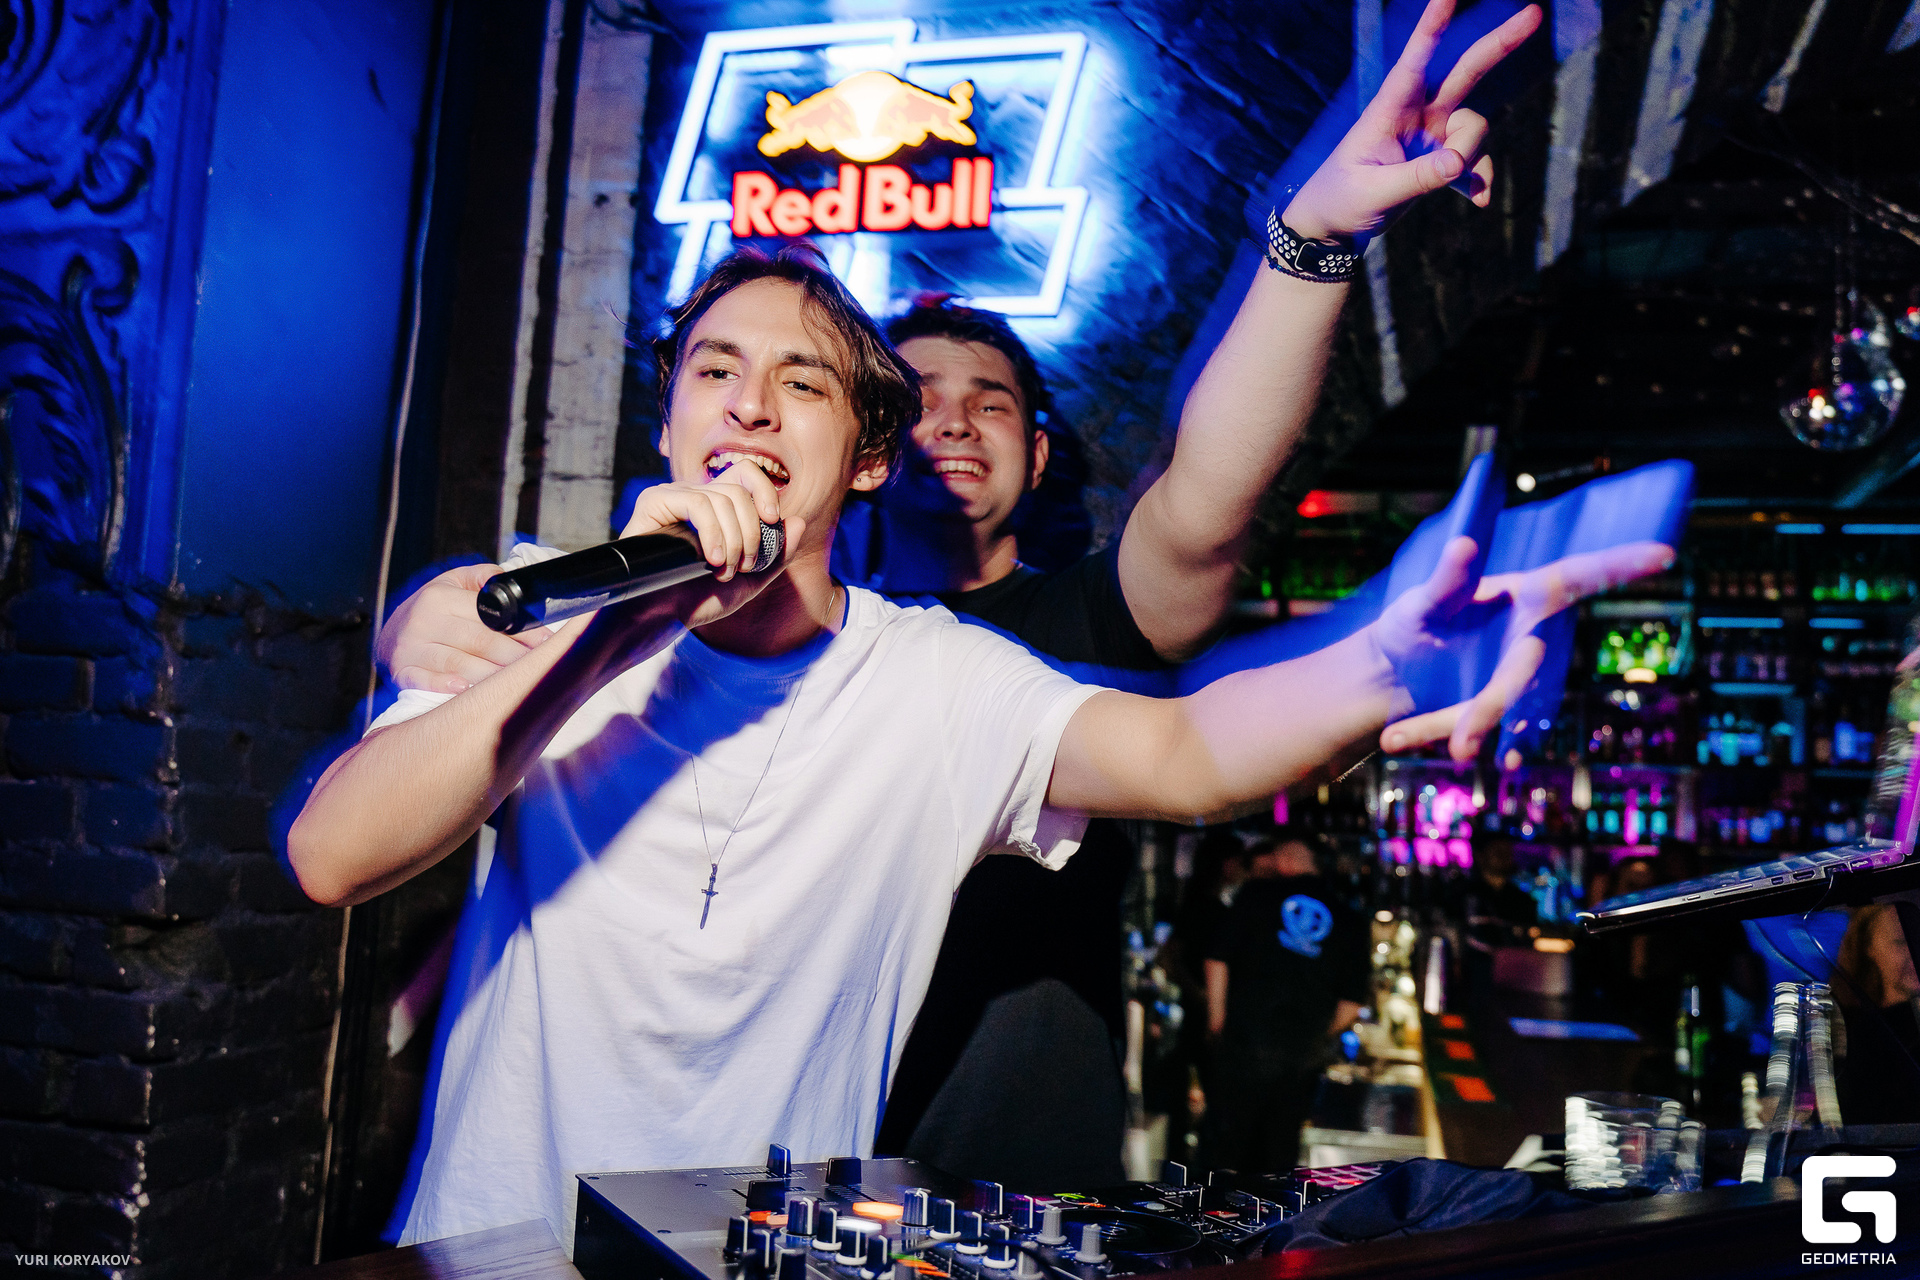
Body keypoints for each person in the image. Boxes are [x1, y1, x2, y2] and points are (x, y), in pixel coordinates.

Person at [287, 234, 1666, 1249]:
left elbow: (1187, 753)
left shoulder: (937, 682)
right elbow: (330, 855)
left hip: (764, 1260)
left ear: (864, 459)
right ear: (672, 419)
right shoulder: (547, 608)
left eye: (801, 384)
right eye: (716, 371)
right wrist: (611, 630)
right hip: (488, 1248)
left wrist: (1383, 659)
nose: (750, 405)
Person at [375, 0, 1550, 1190]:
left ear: (1021, 455)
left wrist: (1309, 246)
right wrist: (472, 619)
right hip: (768, 1179)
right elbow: (370, 842)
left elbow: (1201, 567)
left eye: (986, 403)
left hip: (993, 1172)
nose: (949, 422)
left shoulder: (1014, 647)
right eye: (918, 396)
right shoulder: (642, 609)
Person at [1203, 830, 1370, 1173]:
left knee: (1225, 1154)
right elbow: (1352, 1004)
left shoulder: (1257, 894)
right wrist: (1315, 1036)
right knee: (1279, 1158)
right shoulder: (1350, 918)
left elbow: (1216, 959)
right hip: (1300, 1059)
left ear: (1288, 857)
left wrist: (1218, 1021)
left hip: (1245, 1043)